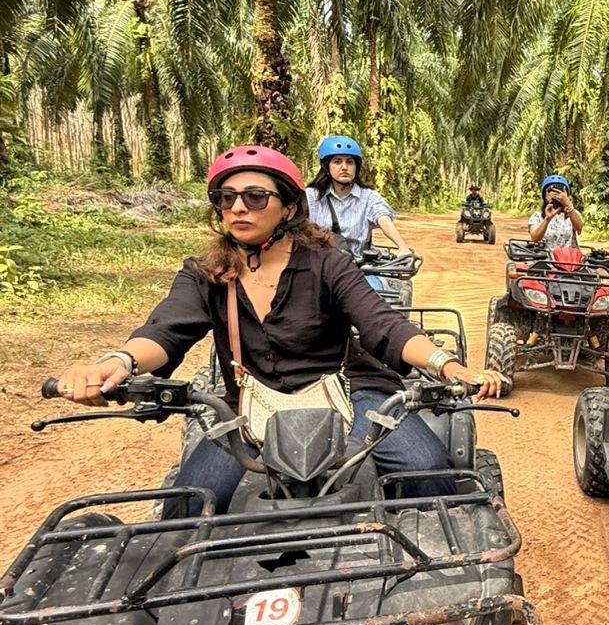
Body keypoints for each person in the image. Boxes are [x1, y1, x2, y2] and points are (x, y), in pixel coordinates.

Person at [53, 145, 503, 513]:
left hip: (347, 392)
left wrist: (448, 366)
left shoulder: (328, 263)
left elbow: (381, 322)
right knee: (187, 504)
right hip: (251, 407)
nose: (237, 207)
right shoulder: (206, 273)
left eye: (254, 197)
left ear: (288, 206)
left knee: (427, 469)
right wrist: (120, 361)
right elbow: (167, 328)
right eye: (226, 198)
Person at [306, 135, 411, 258]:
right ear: (326, 166)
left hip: (357, 265)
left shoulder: (368, 197)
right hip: (320, 263)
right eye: (337, 161)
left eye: (350, 162)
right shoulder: (312, 196)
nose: (344, 167)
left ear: (357, 166)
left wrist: (403, 247)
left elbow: (382, 217)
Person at [529, 174, 582, 247]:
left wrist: (568, 204)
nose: (556, 196)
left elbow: (579, 229)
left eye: (559, 192)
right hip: (545, 254)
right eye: (551, 191)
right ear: (545, 196)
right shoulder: (537, 216)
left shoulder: (572, 214)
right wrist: (547, 219)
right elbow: (535, 238)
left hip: (567, 254)